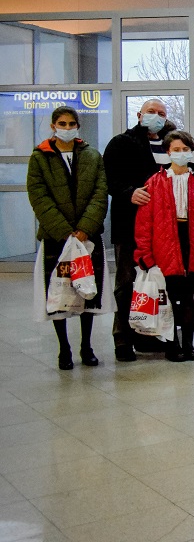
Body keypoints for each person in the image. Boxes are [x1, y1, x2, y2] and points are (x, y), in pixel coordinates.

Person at [27, 106, 109, 370]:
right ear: (53, 126)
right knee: (59, 292)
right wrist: (64, 231)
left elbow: (100, 192)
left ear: (78, 126)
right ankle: (64, 347)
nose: (67, 128)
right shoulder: (39, 157)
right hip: (56, 237)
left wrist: (85, 227)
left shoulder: (92, 155)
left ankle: (87, 346)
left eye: (72, 123)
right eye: (62, 123)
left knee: (88, 291)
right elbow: (39, 197)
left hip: (87, 237)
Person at [134, 131, 194, 362]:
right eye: (176, 149)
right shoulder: (154, 182)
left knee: (189, 295)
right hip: (165, 244)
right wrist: (145, 255)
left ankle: (189, 344)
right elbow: (144, 223)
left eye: (185, 149)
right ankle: (172, 343)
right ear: (168, 151)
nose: (181, 153)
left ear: (191, 151)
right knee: (171, 297)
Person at [104, 98, 175, 362]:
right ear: (139, 115)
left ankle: (150, 333)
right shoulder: (122, 143)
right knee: (126, 282)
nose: (156, 116)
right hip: (130, 225)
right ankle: (122, 338)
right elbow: (108, 179)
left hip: (163, 228)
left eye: (161, 113)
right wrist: (129, 192)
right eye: (151, 112)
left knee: (158, 282)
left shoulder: (170, 144)